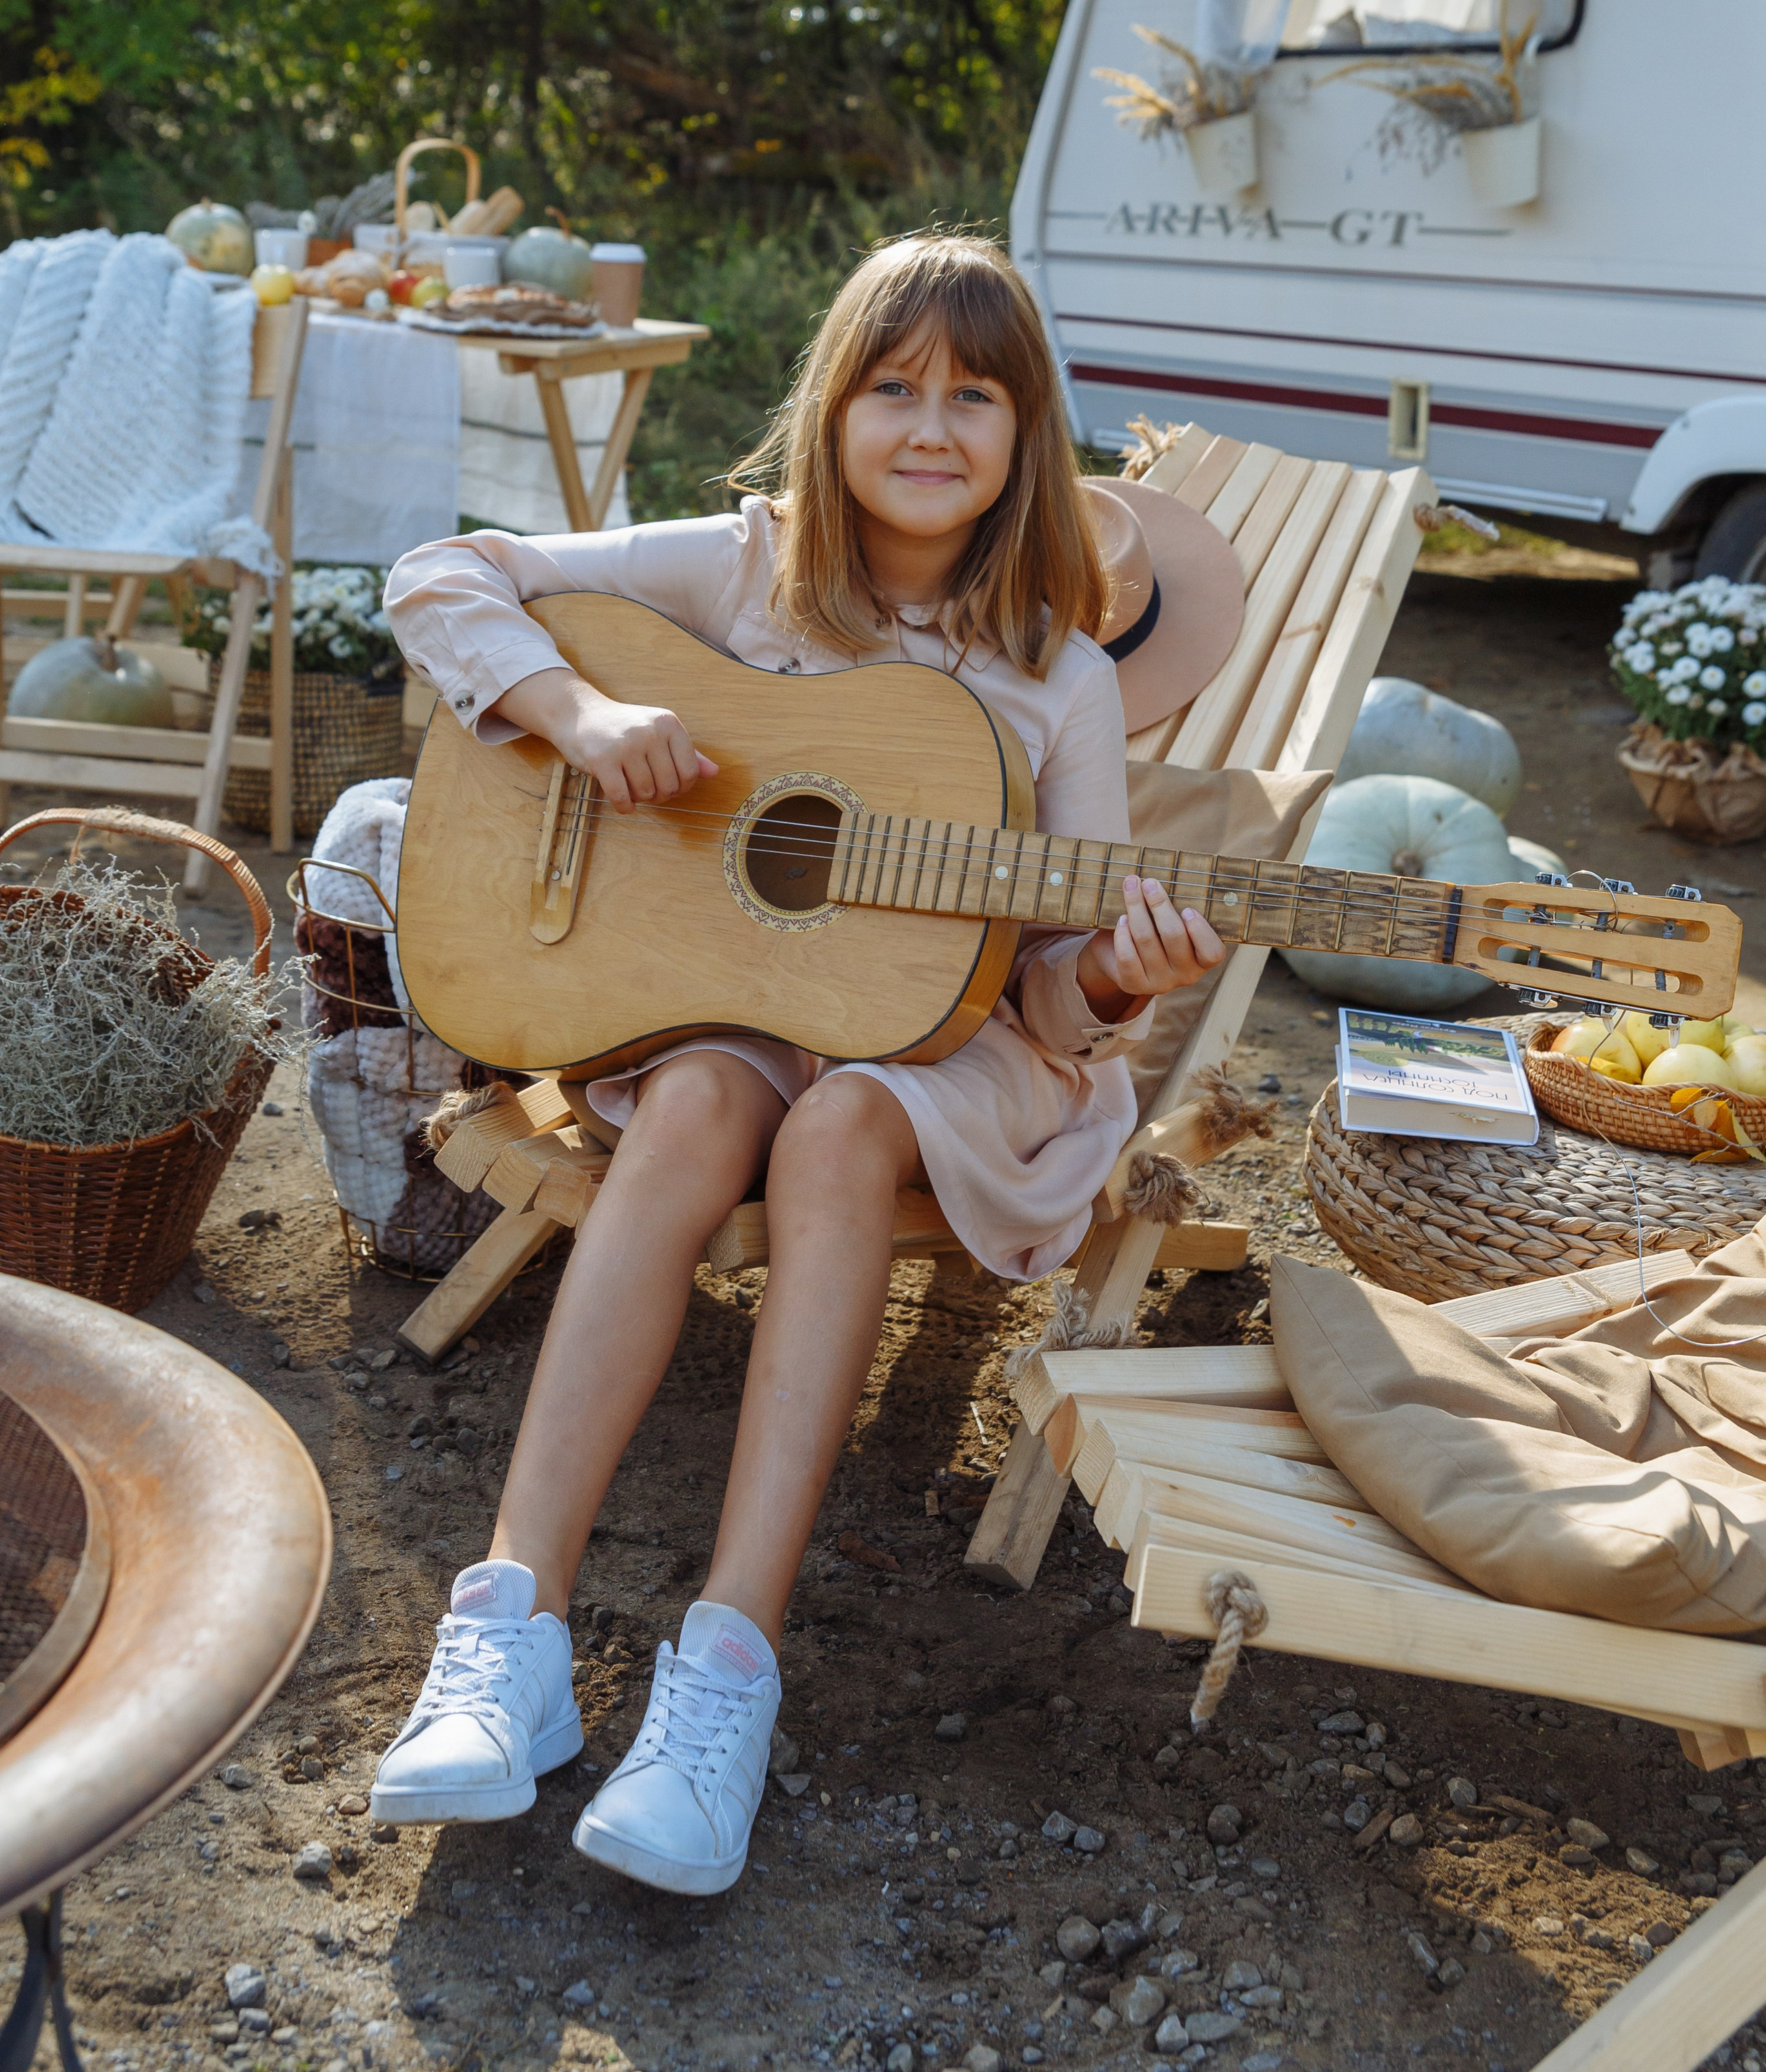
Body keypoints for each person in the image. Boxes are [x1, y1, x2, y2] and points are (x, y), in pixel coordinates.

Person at [371, 230, 1224, 1895]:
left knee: (838, 1126)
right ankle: (510, 1632)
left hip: (962, 1049)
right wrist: (580, 714)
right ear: (833, 411)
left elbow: (1050, 994)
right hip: (738, 1003)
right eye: (893, 387)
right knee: (694, 1095)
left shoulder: (1055, 675)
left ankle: (723, 1678)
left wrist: (1115, 975)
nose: (930, 425)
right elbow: (435, 573)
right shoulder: (746, 573)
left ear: (1024, 435)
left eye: (974, 396)